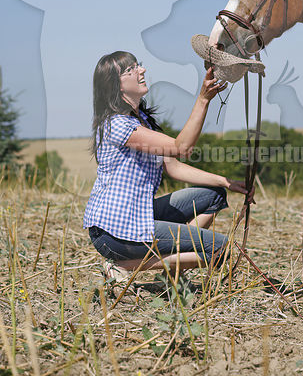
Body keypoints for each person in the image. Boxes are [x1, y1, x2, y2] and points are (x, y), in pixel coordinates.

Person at [83, 50, 254, 278]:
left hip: (139, 215)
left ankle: (175, 262)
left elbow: (173, 166)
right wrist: (203, 100)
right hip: (115, 233)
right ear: (117, 86)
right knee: (219, 247)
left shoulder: (141, 121)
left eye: (138, 65)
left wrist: (226, 182)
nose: (141, 70)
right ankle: (124, 266)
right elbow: (182, 148)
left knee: (214, 195)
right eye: (130, 70)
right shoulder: (118, 125)